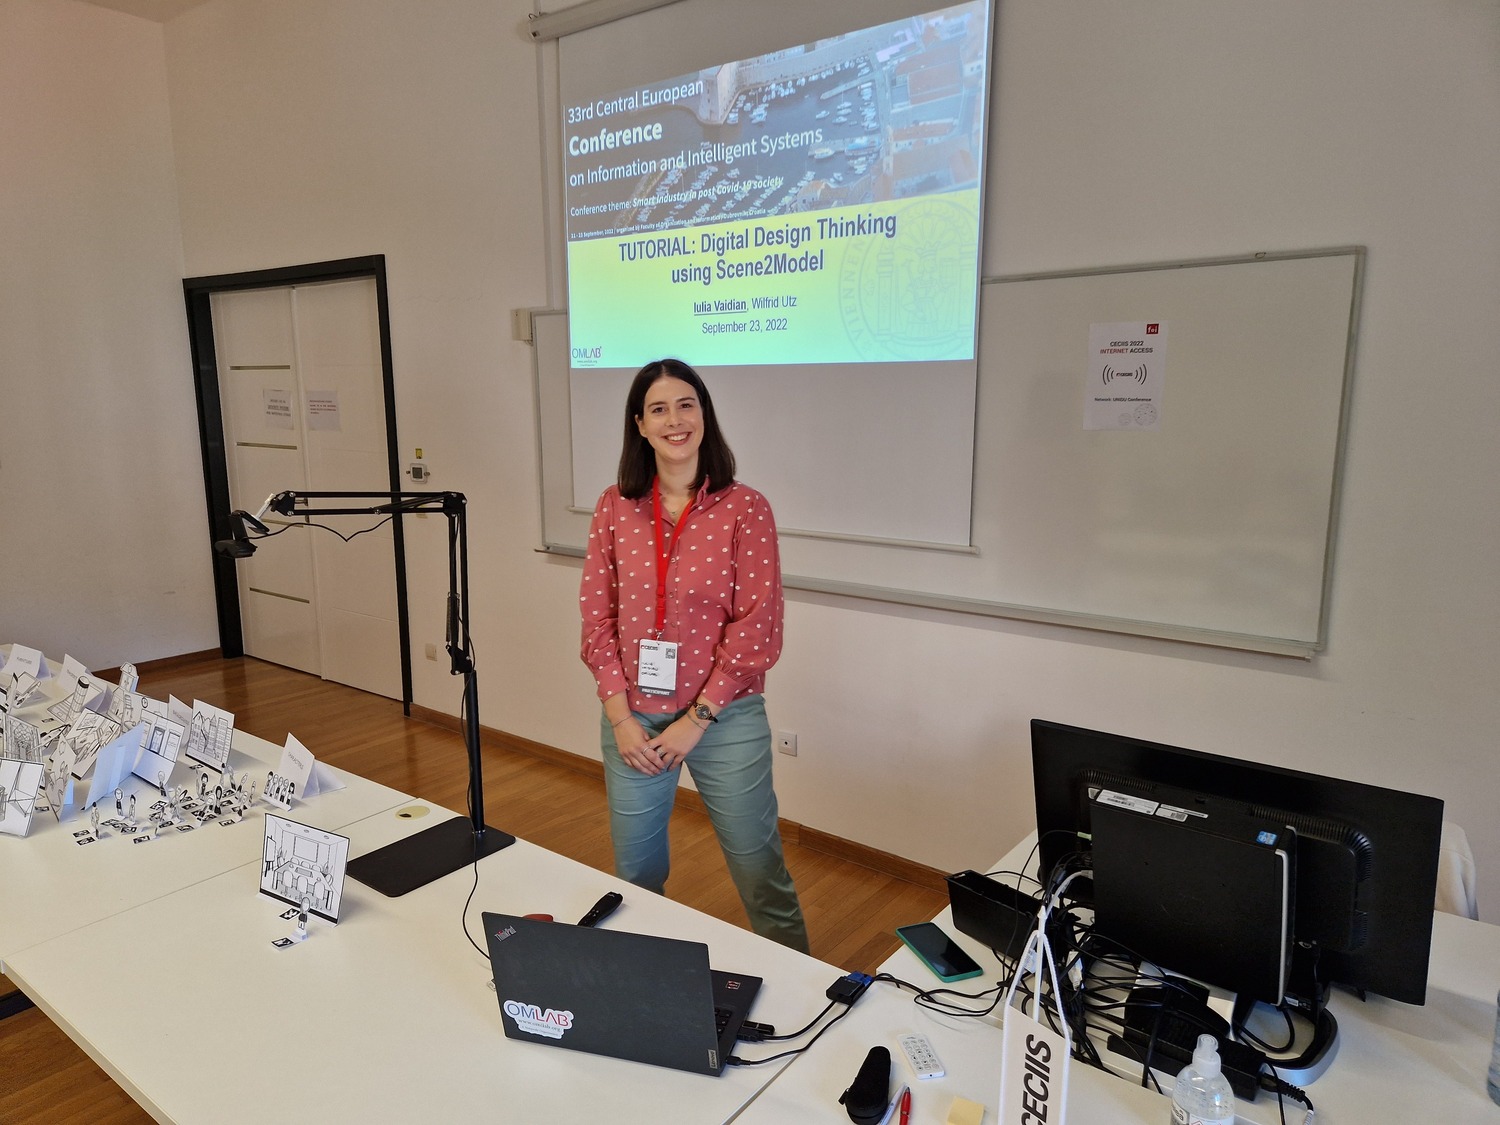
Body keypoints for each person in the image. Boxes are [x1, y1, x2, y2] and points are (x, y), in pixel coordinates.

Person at [580, 358, 808, 952]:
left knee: (761, 874)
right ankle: (643, 985)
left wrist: (697, 719)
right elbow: (597, 617)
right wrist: (620, 718)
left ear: (704, 414)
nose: (674, 420)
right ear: (639, 424)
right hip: (632, 720)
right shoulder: (614, 506)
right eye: (658, 409)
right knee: (636, 878)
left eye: (686, 405)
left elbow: (757, 627)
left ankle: (809, 990)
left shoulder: (745, 507)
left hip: (724, 718)